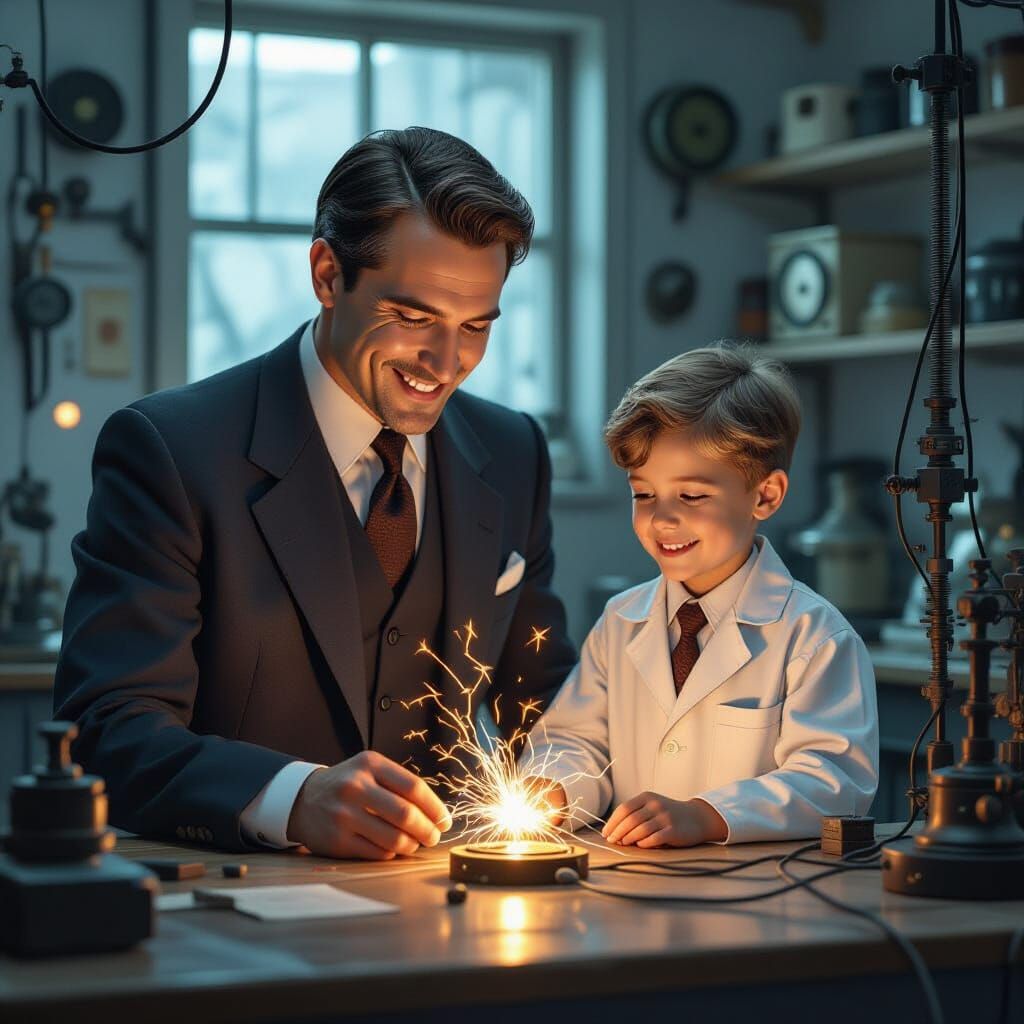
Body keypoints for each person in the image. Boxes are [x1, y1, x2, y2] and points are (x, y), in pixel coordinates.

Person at [54, 127, 576, 861]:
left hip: (462, 909)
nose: (447, 363)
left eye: (475, 327)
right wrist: (292, 798)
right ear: (328, 274)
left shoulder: (515, 453)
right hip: (238, 920)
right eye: (414, 318)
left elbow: (551, 702)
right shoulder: (171, 449)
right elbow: (106, 729)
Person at [527, 344, 878, 846]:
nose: (661, 518)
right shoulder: (621, 620)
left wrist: (707, 815)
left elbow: (833, 781)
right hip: (635, 888)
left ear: (766, 495)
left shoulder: (814, 636)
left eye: (691, 495)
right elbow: (574, 739)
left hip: (755, 897)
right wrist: (556, 789)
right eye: (643, 494)